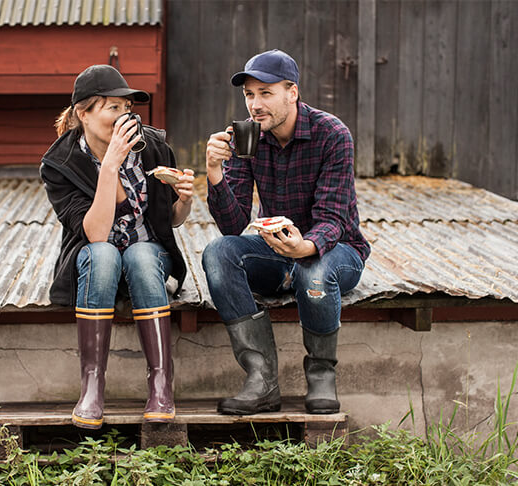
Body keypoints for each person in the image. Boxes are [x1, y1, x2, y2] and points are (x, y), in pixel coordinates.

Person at [203, 49, 370, 415]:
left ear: (291, 92)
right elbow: (233, 226)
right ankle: (261, 380)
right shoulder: (248, 137)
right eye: (249, 94)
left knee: (314, 268)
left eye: (265, 93)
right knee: (219, 252)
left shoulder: (332, 134)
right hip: (277, 250)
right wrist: (214, 172)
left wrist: (306, 246)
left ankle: (322, 373)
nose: (255, 104)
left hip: (337, 250)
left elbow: (334, 218)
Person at [40, 64, 194, 428]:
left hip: (147, 261)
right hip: (97, 266)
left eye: (127, 108)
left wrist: (184, 200)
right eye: (113, 107)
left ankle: (160, 382)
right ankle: (92, 384)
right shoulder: (60, 164)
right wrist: (110, 166)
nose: (124, 115)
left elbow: (168, 220)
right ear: (84, 113)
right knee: (105, 252)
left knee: (141, 254)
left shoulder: (154, 147)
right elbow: (94, 234)